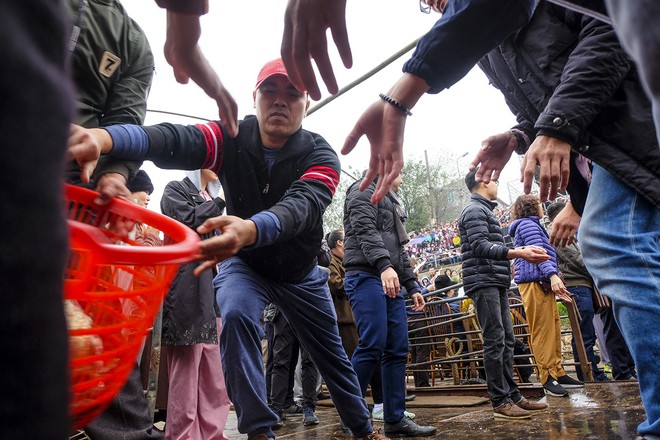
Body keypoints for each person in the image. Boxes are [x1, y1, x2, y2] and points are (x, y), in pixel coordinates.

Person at [68, 58, 385, 440]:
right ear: (255, 98)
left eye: (292, 93)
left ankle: (365, 430)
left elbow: (302, 206)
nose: (280, 101)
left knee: (331, 356)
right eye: (270, 90)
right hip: (246, 264)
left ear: (307, 103)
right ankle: (258, 432)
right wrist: (107, 139)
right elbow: (173, 138)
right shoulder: (231, 138)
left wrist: (252, 227)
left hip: (301, 274)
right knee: (235, 315)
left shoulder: (320, 155)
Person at [465, 2, 659, 436]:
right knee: (525, 335)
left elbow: (614, 30)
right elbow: (543, 96)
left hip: (630, 130)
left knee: (614, 244)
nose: (440, 7)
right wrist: (522, 134)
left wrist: (554, 127)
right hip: (523, 272)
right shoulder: (487, 44)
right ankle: (546, 379)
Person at [343, 172, 437, 437]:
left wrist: (413, 286)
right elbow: (364, 229)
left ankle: (395, 417)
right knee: (373, 342)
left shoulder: (392, 199)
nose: (404, 176)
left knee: (397, 347)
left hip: (391, 277)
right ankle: (352, 414)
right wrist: (384, 265)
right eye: (401, 170)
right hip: (365, 273)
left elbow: (400, 250)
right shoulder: (363, 189)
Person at [458, 168, 549, 419]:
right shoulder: (474, 210)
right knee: (495, 339)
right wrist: (518, 252)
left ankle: (513, 395)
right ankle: (499, 400)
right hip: (483, 280)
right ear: (482, 181)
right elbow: (479, 246)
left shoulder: (484, 210)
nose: (496, 183)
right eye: (494, 179)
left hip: (494, 279)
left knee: (507, 339)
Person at [160, 169, 230, 440]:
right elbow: (189, 220)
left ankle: (213, 432)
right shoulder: (174, 189)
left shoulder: (211, 196)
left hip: (213, 289)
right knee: (186, 368)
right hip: (186, 287)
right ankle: (183, 434)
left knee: (214, 369)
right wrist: (220, 202)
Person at [508, 195, 584, 397]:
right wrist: (552, 275)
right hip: (534, 282)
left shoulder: (529, 224)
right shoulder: (527, 225)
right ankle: (547, 377)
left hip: (540, 281)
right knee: (542, 329)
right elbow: (539, 253)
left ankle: (556, 371)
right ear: (535, 207)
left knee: (552, 326)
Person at [545, 201, 608, 383]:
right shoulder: (559, 232)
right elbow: (577, 260)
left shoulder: (565, 232)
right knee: (583, 334)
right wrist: (597, 266)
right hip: (577, 286)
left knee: (586, 332)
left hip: (581, 285)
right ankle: (590, 375)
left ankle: (592, 373)